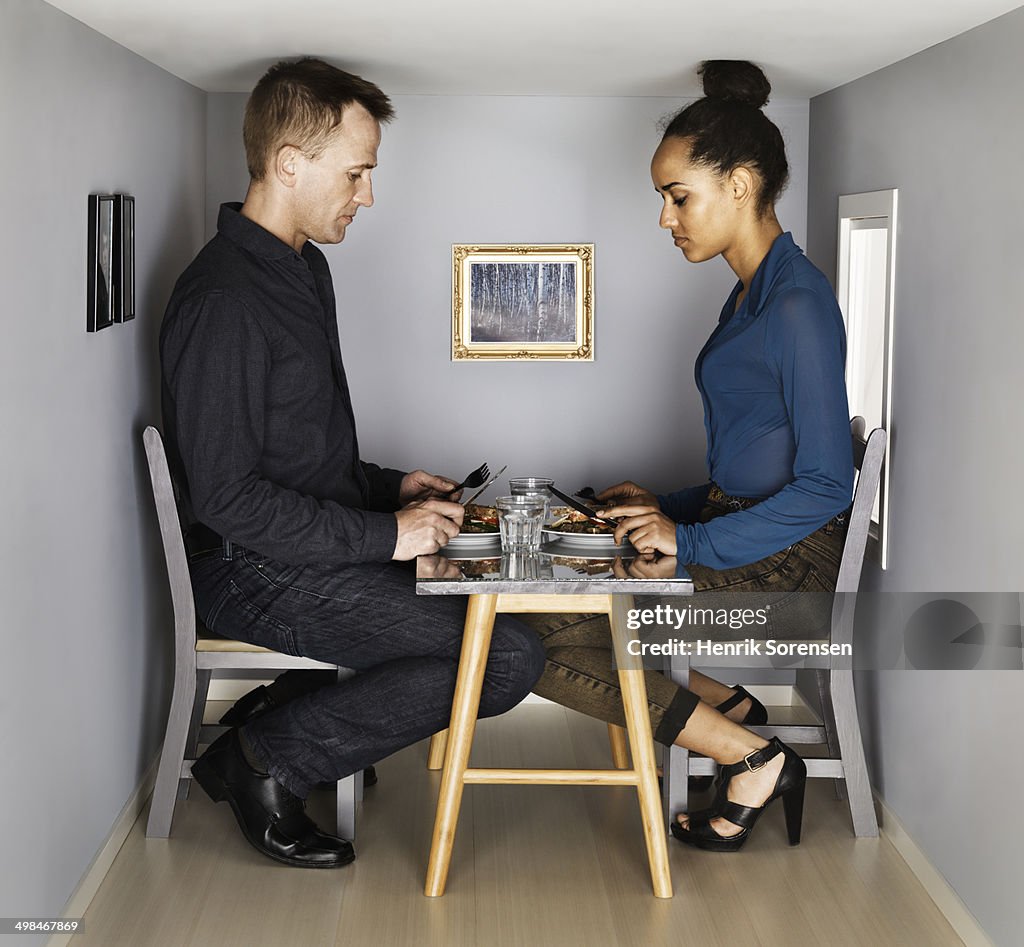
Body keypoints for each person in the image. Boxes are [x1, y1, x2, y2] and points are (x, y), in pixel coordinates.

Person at [159, 58, 545, 869]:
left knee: (488, 609)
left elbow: (300, 449)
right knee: (507, 657)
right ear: (290, 162)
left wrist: (390, 490)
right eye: (357, 173)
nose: (366, 196)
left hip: (302, 548)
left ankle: (295, 707)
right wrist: (387, 535)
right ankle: (266, 759)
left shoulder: (303, 267)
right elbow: (228, 496)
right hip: (249, 569)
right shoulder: (223, 300)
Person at [519, 60, 853, 852]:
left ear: (741, 185)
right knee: (562, 581)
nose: (665, 217)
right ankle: (729, 716)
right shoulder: (751, 292)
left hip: (792, 565)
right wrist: (665, 506)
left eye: (678, 197)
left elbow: (826, 484)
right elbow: (755, 460)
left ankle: (751, 755)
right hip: (746, 530)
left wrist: (689, 540)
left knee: (540, 628)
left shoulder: (799, 305)